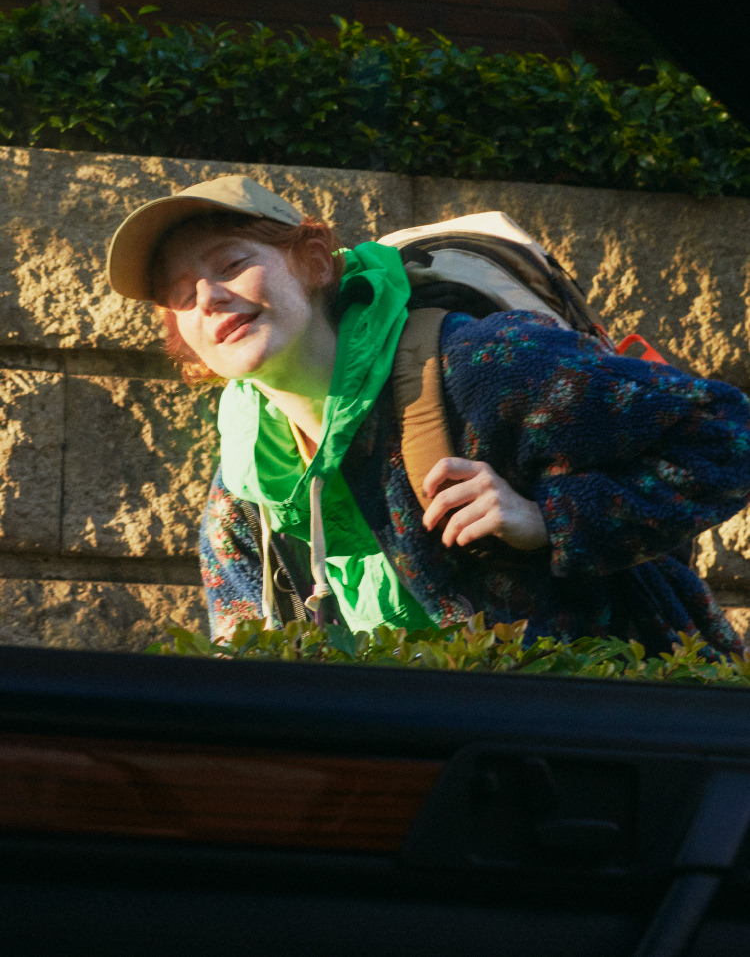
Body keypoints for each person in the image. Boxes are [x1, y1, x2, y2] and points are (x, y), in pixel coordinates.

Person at [107, 174, 750, 657]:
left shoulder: (482, 365)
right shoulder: (242, 495)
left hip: (603, 764)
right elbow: (247, 675)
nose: (210, 299)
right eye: (181, 296)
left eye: (232, 264)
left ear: (311, 262)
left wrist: (550, 519)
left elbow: (730, 434)